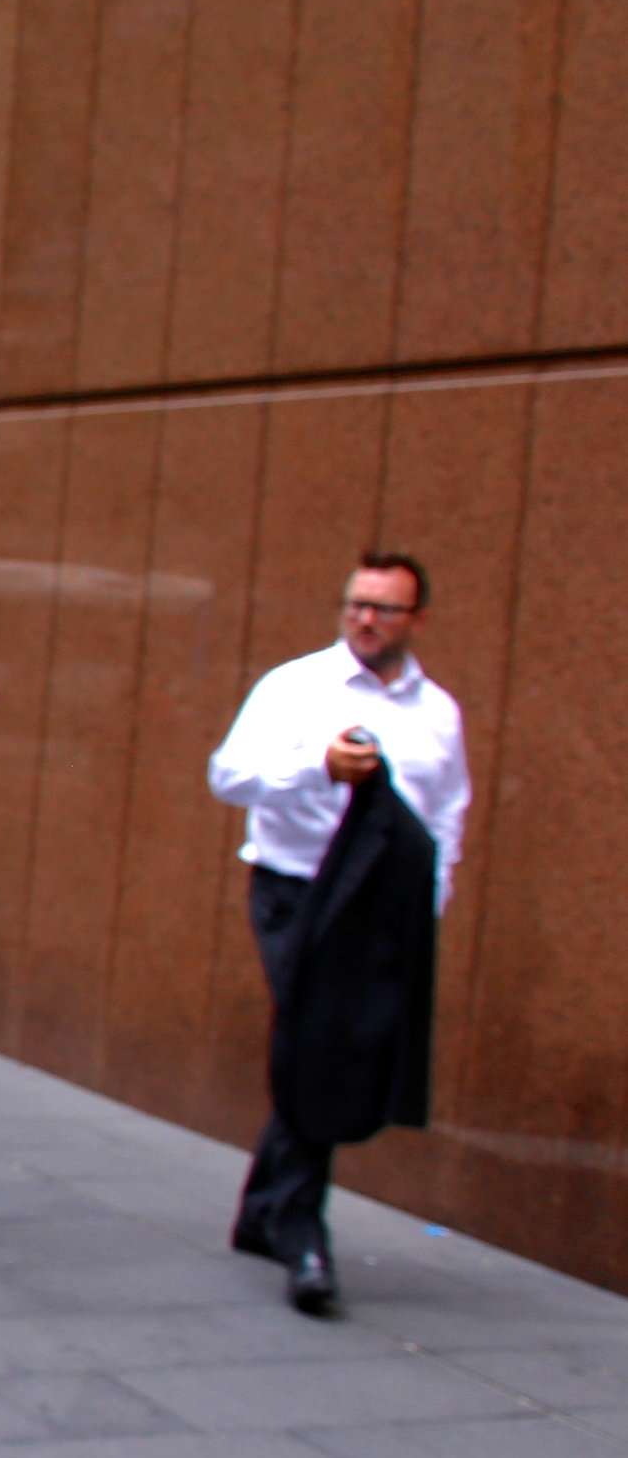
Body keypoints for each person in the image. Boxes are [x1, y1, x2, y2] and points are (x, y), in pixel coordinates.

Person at [206, 552, 470, 1314]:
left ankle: (261, 1210)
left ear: (414, 619)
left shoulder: (437, 713)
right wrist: (316, 766)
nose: (364, 619)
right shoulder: (294, 688)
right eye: (355, 603)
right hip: (295, 890)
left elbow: (447, 809)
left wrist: (434, 893)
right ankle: (301, 1234)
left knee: (327, 1046)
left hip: (383, 905)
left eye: (383, 609)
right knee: (316, 1042)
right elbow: (227, 775)